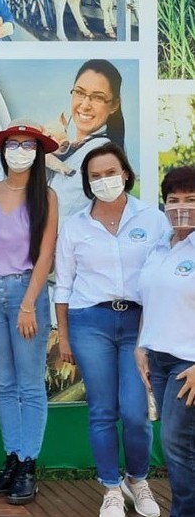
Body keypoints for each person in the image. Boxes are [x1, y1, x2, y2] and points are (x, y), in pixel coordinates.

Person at [55, 142, 165, 517]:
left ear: (126, 174)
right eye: (95, 176)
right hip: (91, 323)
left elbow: (164, 275)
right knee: (102, 410)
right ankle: (110, 487)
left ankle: (138, 480)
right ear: (87, 182)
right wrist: (65, 336)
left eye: (110, 173)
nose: (104, 181)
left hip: (140, 324)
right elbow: (64, 285)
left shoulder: (153, 219)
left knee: (135, 412)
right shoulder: (75, 226)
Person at [0, 119, 58, 505]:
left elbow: (45, 255)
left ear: (39, 152)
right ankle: (12, 457)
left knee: (29, 384)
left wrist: (28, 303)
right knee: (4, 383)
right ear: (2, 150)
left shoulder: (47, 196)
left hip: (28, 292)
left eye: (28, 145)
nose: (20, 151)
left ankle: (28, 464)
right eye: (13, 144)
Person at [136, 166, 195, 517]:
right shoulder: (160, 246)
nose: (181, 206)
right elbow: (151, 300)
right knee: (178, 445)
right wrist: (141, 345)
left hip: (187, 364)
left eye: (191, 199)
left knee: (177, 445)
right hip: (158, 359)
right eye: (173, 200)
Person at [49, 59, 125, 222]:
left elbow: (61, 212)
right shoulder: (73, 149)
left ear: (114, 105)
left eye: (98, 98)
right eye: (80, 93)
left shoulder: (99, 152)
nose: (85, 105)